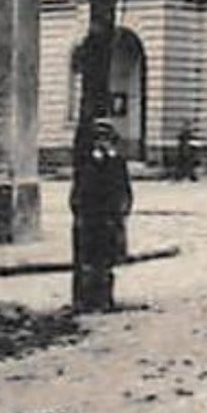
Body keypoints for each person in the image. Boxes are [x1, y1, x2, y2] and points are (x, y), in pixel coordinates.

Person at [70, 119, 133, 310]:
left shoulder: (118, 162)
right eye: (98, 138)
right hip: (90, 219)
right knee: (86, 261)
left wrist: (122, 213)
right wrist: (80, 214)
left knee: (106, 262)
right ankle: (83, 301)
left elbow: (124, 190)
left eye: (106, 138)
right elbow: (78, 192)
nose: (102, 143)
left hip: (110, 220)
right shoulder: (86, 162)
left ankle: (105, 299)